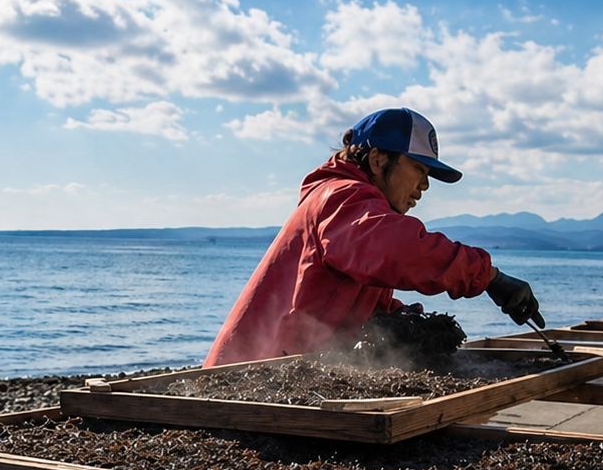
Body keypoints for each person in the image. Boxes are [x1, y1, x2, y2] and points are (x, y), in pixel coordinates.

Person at [203, 108, 542, 367]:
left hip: (273, 370)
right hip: (248, 376)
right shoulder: (342, 198)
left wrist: (405, 321)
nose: (424, 186)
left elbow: (351, 304)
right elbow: (400, 251)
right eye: (419, 170)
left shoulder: (350, 209)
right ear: (379, 160)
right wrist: (489, 278)